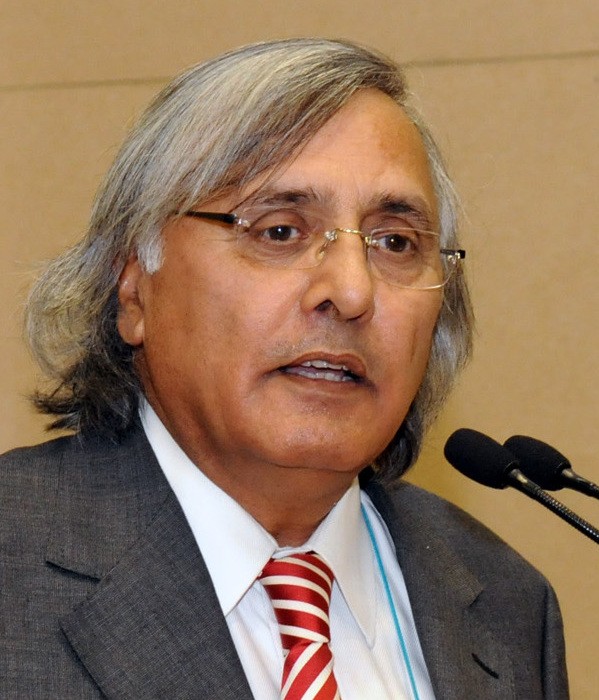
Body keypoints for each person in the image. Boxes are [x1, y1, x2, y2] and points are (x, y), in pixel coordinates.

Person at [1, 38, 568, 699]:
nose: (350, 291)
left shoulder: (506, 603)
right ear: (133, 288)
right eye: (279, 231)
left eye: (395, 243)